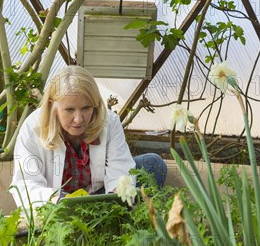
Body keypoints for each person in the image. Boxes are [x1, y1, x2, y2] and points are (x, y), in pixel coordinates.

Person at [11, 65, 167, 210]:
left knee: (153, 164)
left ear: (95, 104)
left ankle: (114, 222)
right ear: (53, 105)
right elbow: (25, 184)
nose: (78, 119)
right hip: (60, 205)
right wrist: (57, 200)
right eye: (69, 110)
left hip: (99, 196)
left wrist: (118, 196)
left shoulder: (109, 122)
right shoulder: (33, 129)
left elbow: (121, 168)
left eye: (86, 108)